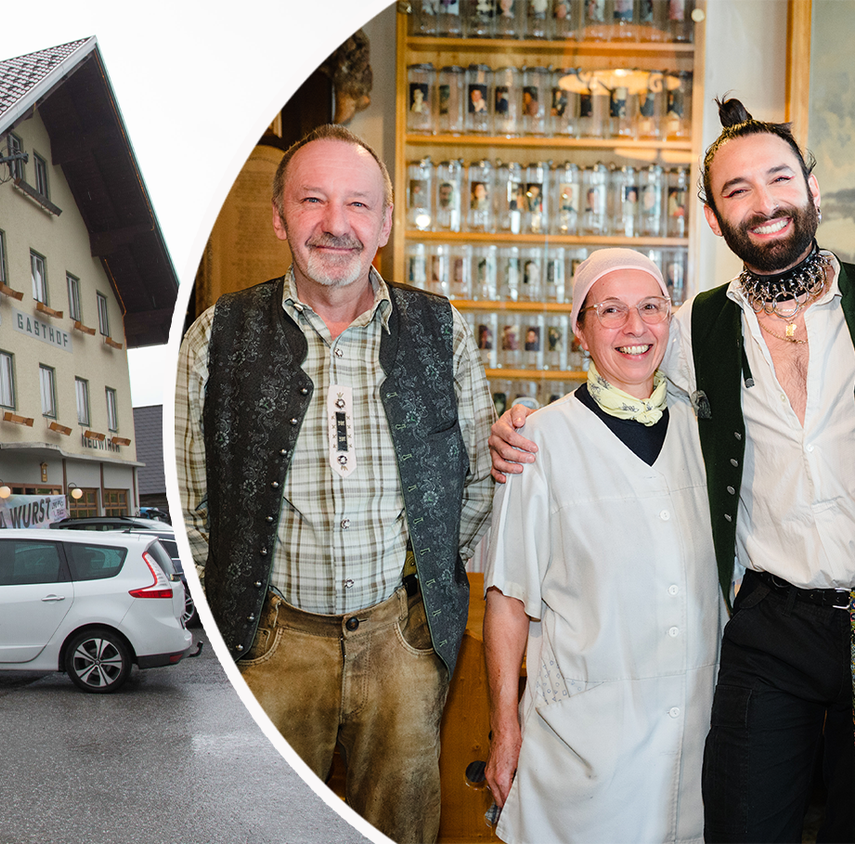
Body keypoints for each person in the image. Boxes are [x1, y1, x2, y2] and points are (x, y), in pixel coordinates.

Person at [489, 97, 854, 843]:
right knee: (744, 823)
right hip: (768, 624)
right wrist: (518, 423)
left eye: (778, 179)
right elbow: (623, 371)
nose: (764, 204)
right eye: (737, 191)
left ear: (812, 189)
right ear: (716, 220)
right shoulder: (695, 328)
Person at [176, 124, 494, 843]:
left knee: (402, 829)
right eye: (313, 200)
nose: (335, 224)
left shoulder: (439, 329)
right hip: (271, 646)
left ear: (384, 221)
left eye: (358, 204)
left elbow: (473, 480)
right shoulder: (216, 334)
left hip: (401, 645)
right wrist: (240, 628)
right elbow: (190, 504)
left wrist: (423, 587)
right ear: (279, 217)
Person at [483, 248, 723, 843]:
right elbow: (507, 600)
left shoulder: (707, 430)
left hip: (697, 739)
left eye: (650, 307)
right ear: (581, 332)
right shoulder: (538, 442)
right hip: (583, 747)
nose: (635, 328)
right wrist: (504, 728)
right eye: (610, 311)